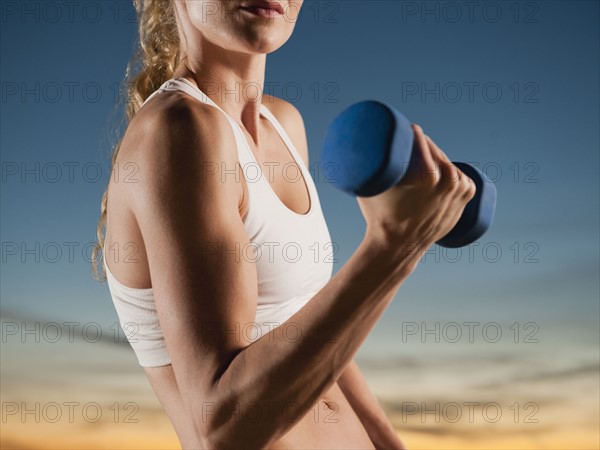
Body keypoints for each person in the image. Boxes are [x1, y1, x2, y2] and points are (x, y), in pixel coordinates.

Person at [92, 0, 475, 448]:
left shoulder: (284, 122)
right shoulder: (177, 131)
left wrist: (387, 440)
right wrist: (393, 249)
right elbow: (223, 426)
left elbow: (311, 328)